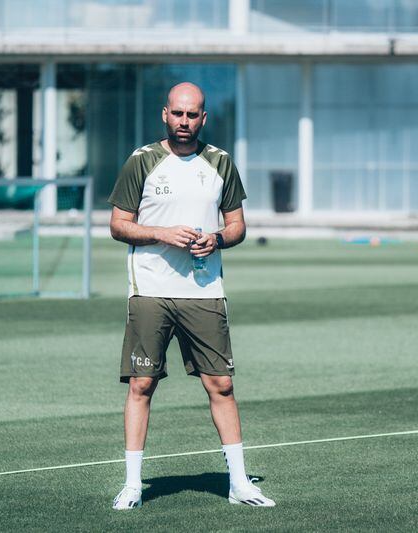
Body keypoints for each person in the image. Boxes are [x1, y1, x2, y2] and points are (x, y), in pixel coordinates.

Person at [108, 82, 275, 510]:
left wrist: (216, 240)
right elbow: (118, 225)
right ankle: (132, 484)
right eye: (178, 114)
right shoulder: (141, 161)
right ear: (165, 114)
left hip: (204, 292)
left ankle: (239, 483)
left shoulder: (220, 162)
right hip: (150, 290)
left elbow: (237, 226)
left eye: (193, 115)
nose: (185, 122)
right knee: (142, 384)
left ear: (204, 118)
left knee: (221, 384)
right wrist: (162, 234)